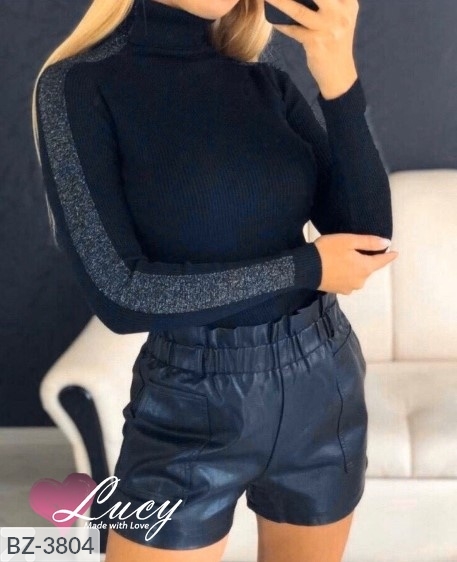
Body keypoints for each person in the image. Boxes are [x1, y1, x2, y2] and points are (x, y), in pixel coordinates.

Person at [32, 0, 398, 560]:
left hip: (323, 381)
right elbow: (121, 296)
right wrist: (306, 267)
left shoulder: (264, 82)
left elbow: (368, 235)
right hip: (189, 403)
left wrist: (338, 76)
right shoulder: (79, 85)